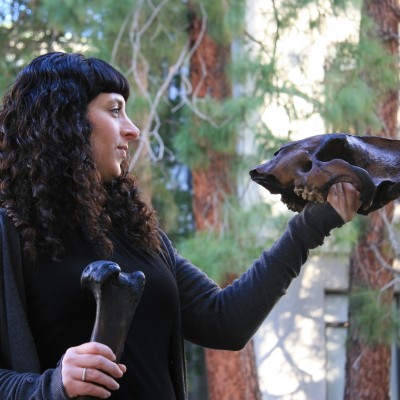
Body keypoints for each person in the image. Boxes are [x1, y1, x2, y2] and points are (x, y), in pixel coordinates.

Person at [0, 52, 361, 400]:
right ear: (65, 122)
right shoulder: (10, 232)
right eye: (114, 110)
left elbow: (226, 321)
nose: (133, 130)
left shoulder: (139, 234)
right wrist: (52, 386)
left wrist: (312, 224)